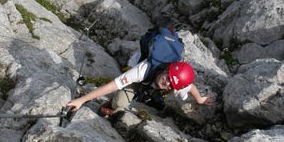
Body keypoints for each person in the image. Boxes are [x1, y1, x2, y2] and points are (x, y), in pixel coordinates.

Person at [65, 60, 215, 114]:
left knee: (160, 98)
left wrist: (200, 100)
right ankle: (111, 104)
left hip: (152, 85)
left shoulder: (178, 83)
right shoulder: (143, 69)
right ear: (166, 69)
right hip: (141, 80)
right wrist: (81, 100)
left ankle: (151, 97)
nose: (167, 82)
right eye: (168, 77)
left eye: (171, 84)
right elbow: (111, 86)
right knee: (119, 104)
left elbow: (191, 87)